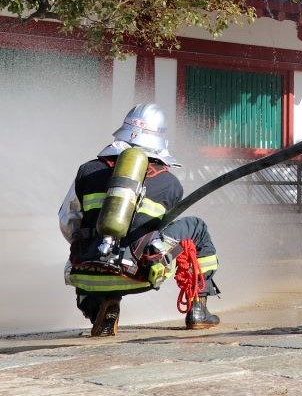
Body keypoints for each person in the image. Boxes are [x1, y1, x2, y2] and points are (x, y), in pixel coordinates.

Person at [59, 103, 222, 337]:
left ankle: (99, 309)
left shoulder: (87, 171)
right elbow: (159, 232)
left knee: (83, 242)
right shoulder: (170, 183)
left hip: (86, 275)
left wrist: (95, 249)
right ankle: (199, 308)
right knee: (197, 228)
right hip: (139, 276)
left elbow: (68, 222)